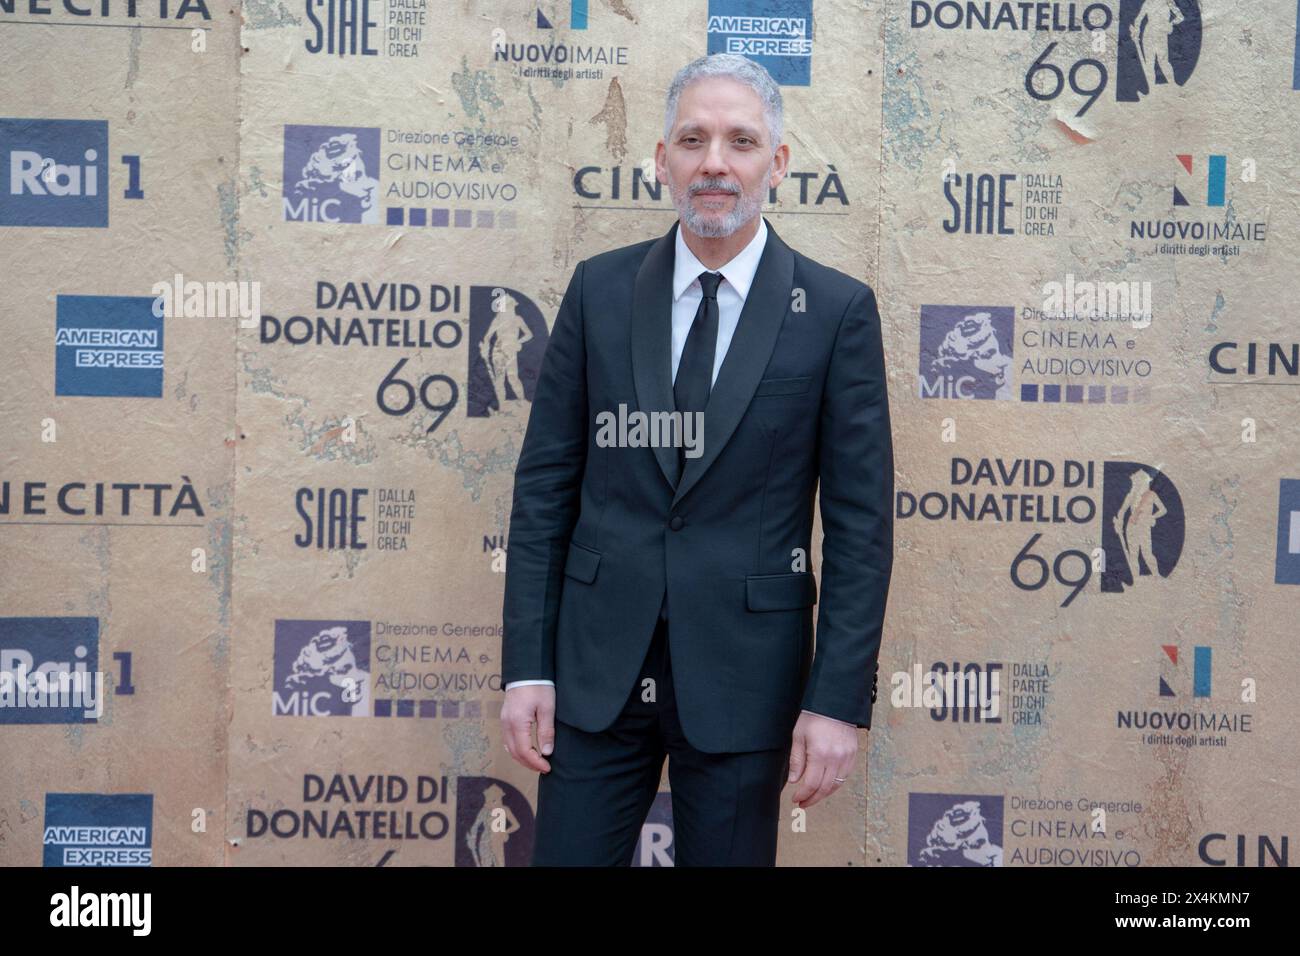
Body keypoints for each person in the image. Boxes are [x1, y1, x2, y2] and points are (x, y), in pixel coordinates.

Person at [499, 52, 894, 866]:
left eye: (741, 141)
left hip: (747, 684)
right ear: (661, 160)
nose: (715, 162)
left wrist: (837, 701)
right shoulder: (599, 291)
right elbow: (544, 489)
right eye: (693, 139)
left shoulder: (834, 312)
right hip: (594, 674)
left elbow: (859, 526)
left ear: (776, 165)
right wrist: (527, 669)